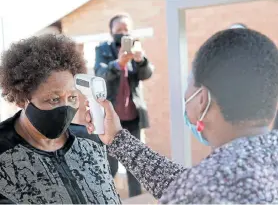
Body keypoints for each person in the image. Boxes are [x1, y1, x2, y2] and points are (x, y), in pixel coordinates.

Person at [87, 28, 278, 203]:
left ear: (202, 99)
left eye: (189, 82)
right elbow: (185, 182)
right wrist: (117, 139)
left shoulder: (204, 191)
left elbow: (194, 189)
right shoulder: (260, 159)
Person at [0, 35, 121, 204]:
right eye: (54, 99)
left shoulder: (91, 141)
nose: (65, 108)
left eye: (72, 97)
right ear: (22, 99)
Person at [94, 13, 154, 197]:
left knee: (134, 166)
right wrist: (118, 63)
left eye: (126, 29)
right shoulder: (103, 49)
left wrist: (141, 60)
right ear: (111, 31)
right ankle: (105, 199)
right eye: (118, 29)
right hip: (110, 119)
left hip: (133, 117)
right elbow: (99, 73)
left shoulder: (136, 48)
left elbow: (147, 74)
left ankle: (136, 200)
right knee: (109, 166)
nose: (122, 32)